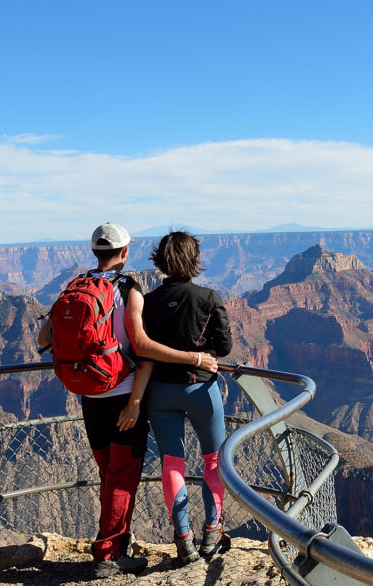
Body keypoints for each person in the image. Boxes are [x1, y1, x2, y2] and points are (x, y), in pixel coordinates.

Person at [37, 222, 220, 579]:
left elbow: (44, 336)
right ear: (124, 253)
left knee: (109, 473)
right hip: (123, 398)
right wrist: (192, 360)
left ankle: (116, 543)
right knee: (122, 477)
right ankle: (108, 554)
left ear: (95, 252)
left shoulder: (74, 286)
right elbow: (142, 346)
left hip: (88, 394)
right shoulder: (128, 288)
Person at [142, 230, 233, 564]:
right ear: (195, 260)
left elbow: (141, 348)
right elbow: (224, 347)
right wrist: (201, 352)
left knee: (172, 463)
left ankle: (184, 541)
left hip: (160, 392)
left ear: (160, 261)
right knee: (213, 460)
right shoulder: (208, 298)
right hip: (201, 390)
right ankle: (212, 533)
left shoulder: (148, 302)